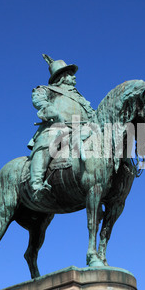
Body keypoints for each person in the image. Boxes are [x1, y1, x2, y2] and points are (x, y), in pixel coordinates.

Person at [27, 54, 95, 202]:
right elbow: (38, 100)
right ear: (63, 77)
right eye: (71, 75)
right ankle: (36, 185)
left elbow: (91, 114)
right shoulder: (47, 89)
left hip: (82, 129)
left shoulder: (80, 98)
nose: (74, 77)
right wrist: (52, 112)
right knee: (47, 143)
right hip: (57, 127)